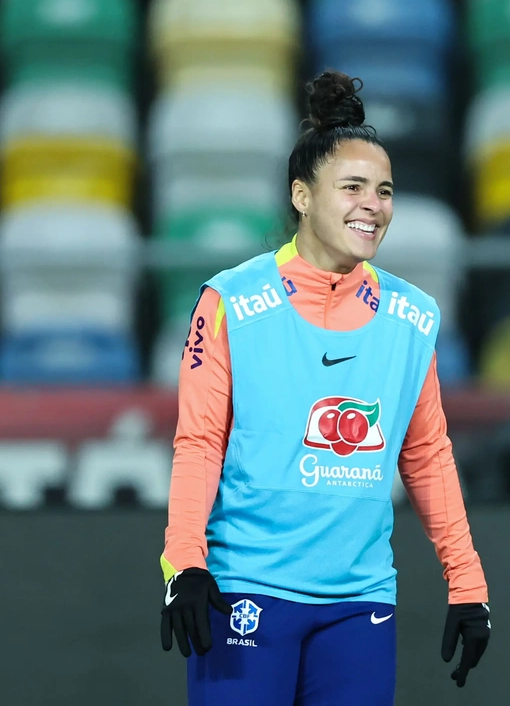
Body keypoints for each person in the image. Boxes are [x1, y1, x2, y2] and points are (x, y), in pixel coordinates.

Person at [158, 70, 491, 705]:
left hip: (359, 603)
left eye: (385, 190)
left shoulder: (413, 317)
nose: (374, 204)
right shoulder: (229, 300)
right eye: (353, 187)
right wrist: (185, 566)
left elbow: (427, 455)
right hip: (246, 590)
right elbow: (198, 442)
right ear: (302, 196)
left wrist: (467, 583)